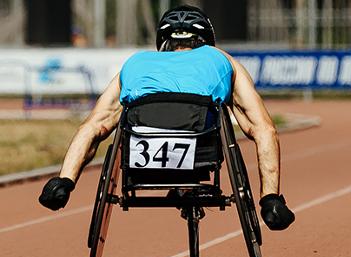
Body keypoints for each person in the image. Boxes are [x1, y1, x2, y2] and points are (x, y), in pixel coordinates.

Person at [38, 5, 295, 231]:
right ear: (206, 39)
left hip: (139, 161)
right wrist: (269, 197)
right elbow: (263, 129)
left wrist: (64, 179)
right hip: (199, 155)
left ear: (162, 40)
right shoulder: (221, 60)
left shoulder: (136, 62)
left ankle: (62, 187)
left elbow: (95, 124)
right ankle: (270, 204)